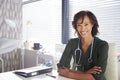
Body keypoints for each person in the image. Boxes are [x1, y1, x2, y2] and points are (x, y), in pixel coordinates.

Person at [57, 10, 109, 80]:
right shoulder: (72, 43)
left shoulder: (102, 45)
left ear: (92, 24)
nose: (82, 29)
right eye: (79, 25)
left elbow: (97, 76)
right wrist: (86, 73)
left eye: (86, 24)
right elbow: (61, 69)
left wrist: (69, 73)